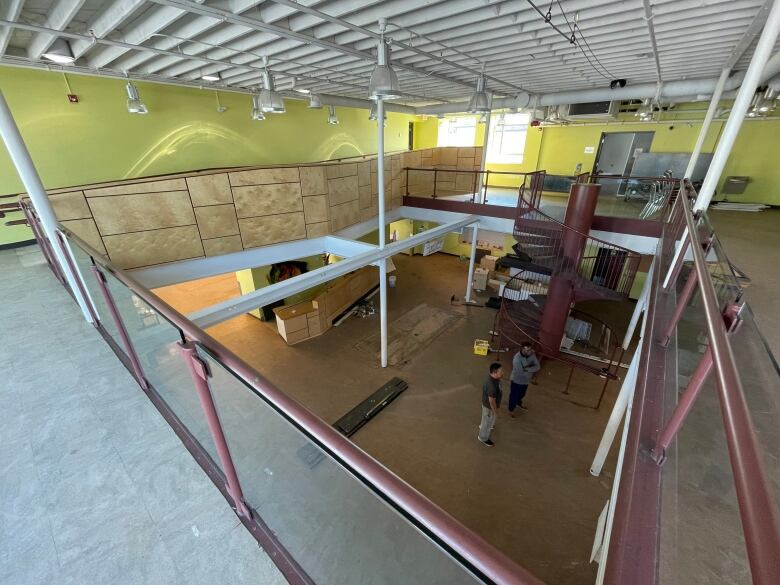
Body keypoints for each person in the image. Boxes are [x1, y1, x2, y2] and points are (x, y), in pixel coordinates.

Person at [509, 342, 540, 416]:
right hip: (516, 380)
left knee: (522, 394)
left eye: (530, 349)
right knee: (514, 396)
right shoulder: (517, 359)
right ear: (522, 349)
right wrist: (531, 368)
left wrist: (526, 369)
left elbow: (538, 366)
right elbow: (520, 372)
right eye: (527, 350)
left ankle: (518, 403)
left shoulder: (532, 354)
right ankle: (511, 410)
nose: (529, 352)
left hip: (526, 381)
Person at [478, 362, 503, 447]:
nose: (502, 372)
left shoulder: (494, 379)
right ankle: (483, 437)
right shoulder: (492, 386)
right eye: (501, 371)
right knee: (486, 423)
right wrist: (495, 412)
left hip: (488, 406)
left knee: (486, 420)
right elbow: (492, 402)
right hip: (489, 407)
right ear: (494, 372)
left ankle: (484, 425)